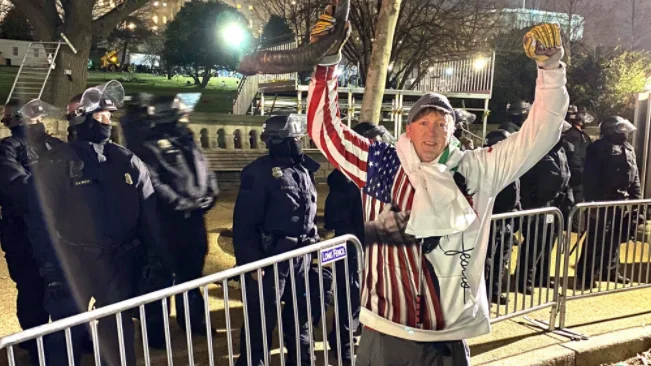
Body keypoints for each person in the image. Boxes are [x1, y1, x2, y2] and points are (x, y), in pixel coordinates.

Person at [308, 10, 568, 364]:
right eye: (423, 122)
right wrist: (326, 64)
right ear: (408, 128)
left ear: (452, 131)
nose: (431, 132)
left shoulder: (477, 169)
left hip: (450, 337)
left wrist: (551, 69)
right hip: (386, 331)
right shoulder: (383, 163)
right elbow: (326, 130)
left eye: (441, 123)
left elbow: (541, 134)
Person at [25, 81, 163, 366]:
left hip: (119, 261)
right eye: (101, 116)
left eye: (109, 117)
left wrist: (153, 259)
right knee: (65, 332)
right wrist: (50, 268)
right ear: (81, 119)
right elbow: (41, 222)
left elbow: (151, 214)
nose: (107, 122)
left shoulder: (127, 161)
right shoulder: (56, 163)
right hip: (72, 261)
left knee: (118, 333)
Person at [128, 93, 218, 339]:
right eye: (182, 113)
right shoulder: (149, 145)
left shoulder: (187, 140)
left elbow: (205, 170)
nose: (187, 116)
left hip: (194, 222)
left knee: (192, 276)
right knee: (161, 278)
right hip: (165, 225)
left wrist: (211, 194)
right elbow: (154, 181)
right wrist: (181, 204)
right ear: (170, 116)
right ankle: (156, 332)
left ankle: (194, 323)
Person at [233, 114, 320, 365]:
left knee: (300, 317)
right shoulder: (258, 173)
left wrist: (315, 249)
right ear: (280, 140)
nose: (300, 141)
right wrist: (251, 264)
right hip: (269, 259)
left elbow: (308, 214)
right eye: (296, 137)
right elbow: (244, 223)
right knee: (260, 320)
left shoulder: (304, 169)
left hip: (301, 257)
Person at [324, 121, 394, 363]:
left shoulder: (382, 177)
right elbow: (337, 219)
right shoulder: (343, 179)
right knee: (348, 296)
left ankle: (361, 336)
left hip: (375, 245)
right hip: (351, 247)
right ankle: (341, 344)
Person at [0, 99, 63, 363]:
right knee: (32, 289)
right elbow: (16, 186)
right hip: (22, 233)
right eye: (30, 116)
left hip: (59, 231)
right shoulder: (7, 149)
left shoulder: (55, 145)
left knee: (65, 287)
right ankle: (36, 344)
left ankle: (71, 337)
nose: (36, 120)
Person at [576, 116, 641, 288]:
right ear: (611, 129)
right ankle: (586, 275)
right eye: (621, 128)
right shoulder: (597, 148)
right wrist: (592, 203)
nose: (624, 131)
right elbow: (589, 178)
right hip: (602, 201)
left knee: (615, 239)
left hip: (621, 202)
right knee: (596, 240)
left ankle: (610, 270)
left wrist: (638, 201)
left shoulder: (628, 148)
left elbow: (635, 177)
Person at [516, 125, 573, 294]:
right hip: (539, 205)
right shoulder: (537, 149)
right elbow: (526, 181)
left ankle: (542, 277)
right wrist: (530, 204)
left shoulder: (561, 150)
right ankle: (524, 280)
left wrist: (569, 199)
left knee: (549, 242)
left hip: (556, 204)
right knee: (535, 243)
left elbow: (567, 176)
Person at [482, 129, 521, 304]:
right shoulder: (485, 166)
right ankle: (483, 296)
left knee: (501, 259)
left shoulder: (511, 164)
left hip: (506, 221)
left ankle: (494, 291)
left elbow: (516, 193)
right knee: (487, 260)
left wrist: (517, 216)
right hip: (491, 220)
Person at [563, 105, 592, 204]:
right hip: (576, 179)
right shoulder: (574, 136)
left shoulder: (578, 135)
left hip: (576, 177)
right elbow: (576, 158)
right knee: (575, 206)